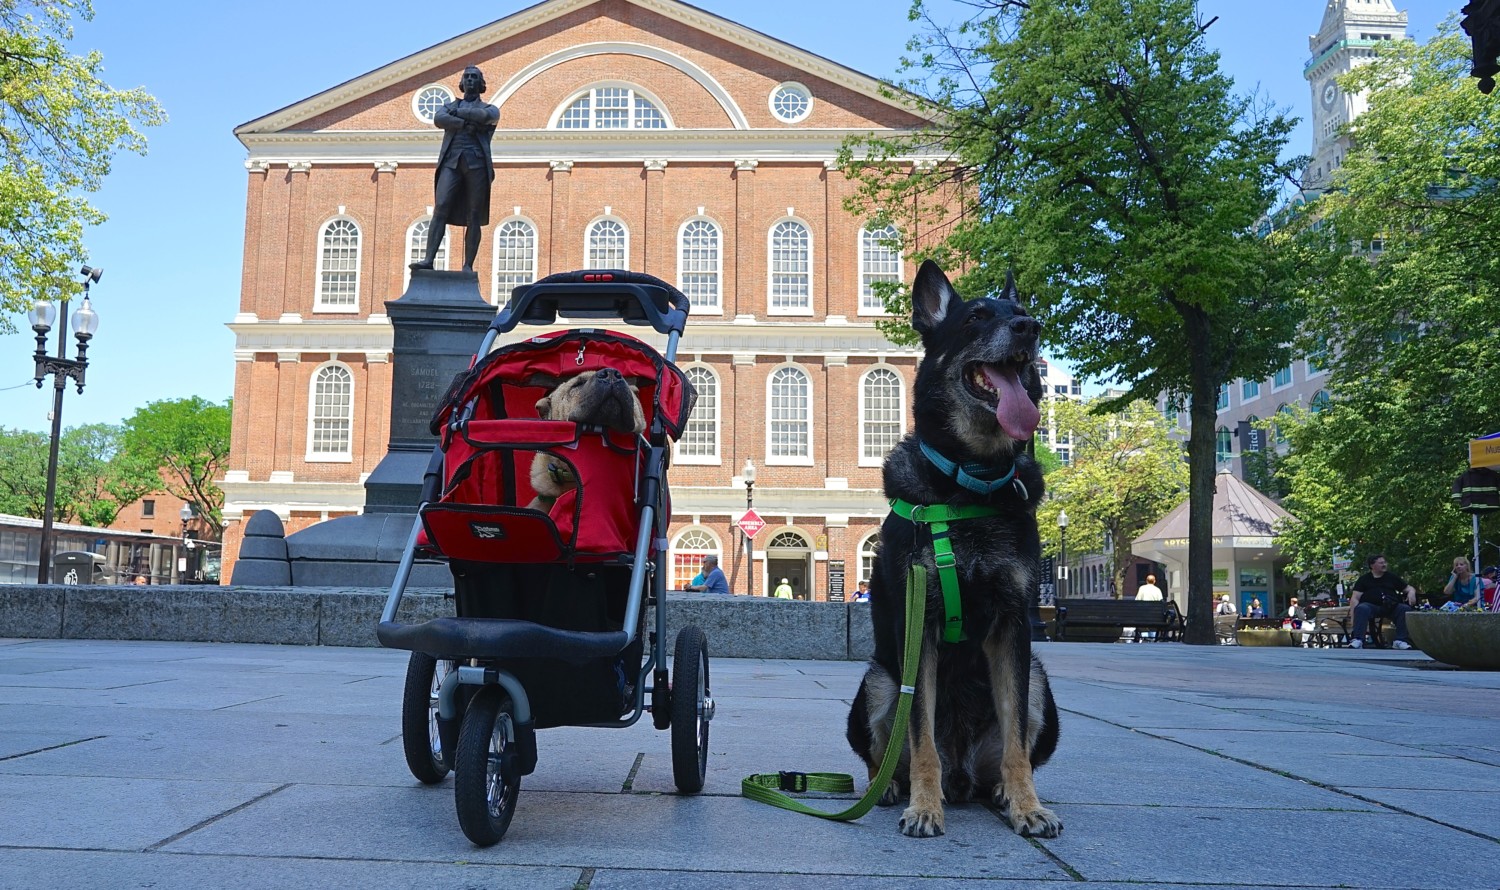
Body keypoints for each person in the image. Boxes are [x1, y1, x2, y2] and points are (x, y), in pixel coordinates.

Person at [411, 66, 499, 273]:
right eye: (466, 77)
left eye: (474, 77)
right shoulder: (448, 107)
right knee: (440, 207)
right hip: (451, 162)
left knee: (474, 214)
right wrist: (465, 123)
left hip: (476, 164)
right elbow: (439, 119)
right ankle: (428, 260)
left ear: (481, 83)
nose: (470, 80)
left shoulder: (490, 108)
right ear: (462, 82)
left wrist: (458, 114)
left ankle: (468, 266)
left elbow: (486, 117)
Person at [1348, 554, 1416, 650]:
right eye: (1381, 563)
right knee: (1362, 608)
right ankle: (1358, 639)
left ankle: (1400, 640)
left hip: (1390, 606)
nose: (1384, 565)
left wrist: (1411, 593)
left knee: (1404, 608)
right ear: (1372, 565)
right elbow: (1355, 598)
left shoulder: (1391, 577)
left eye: (1385, 562)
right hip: (1371, 607)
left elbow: (1408, 588)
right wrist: (1353, 616)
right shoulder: (1364, 579)